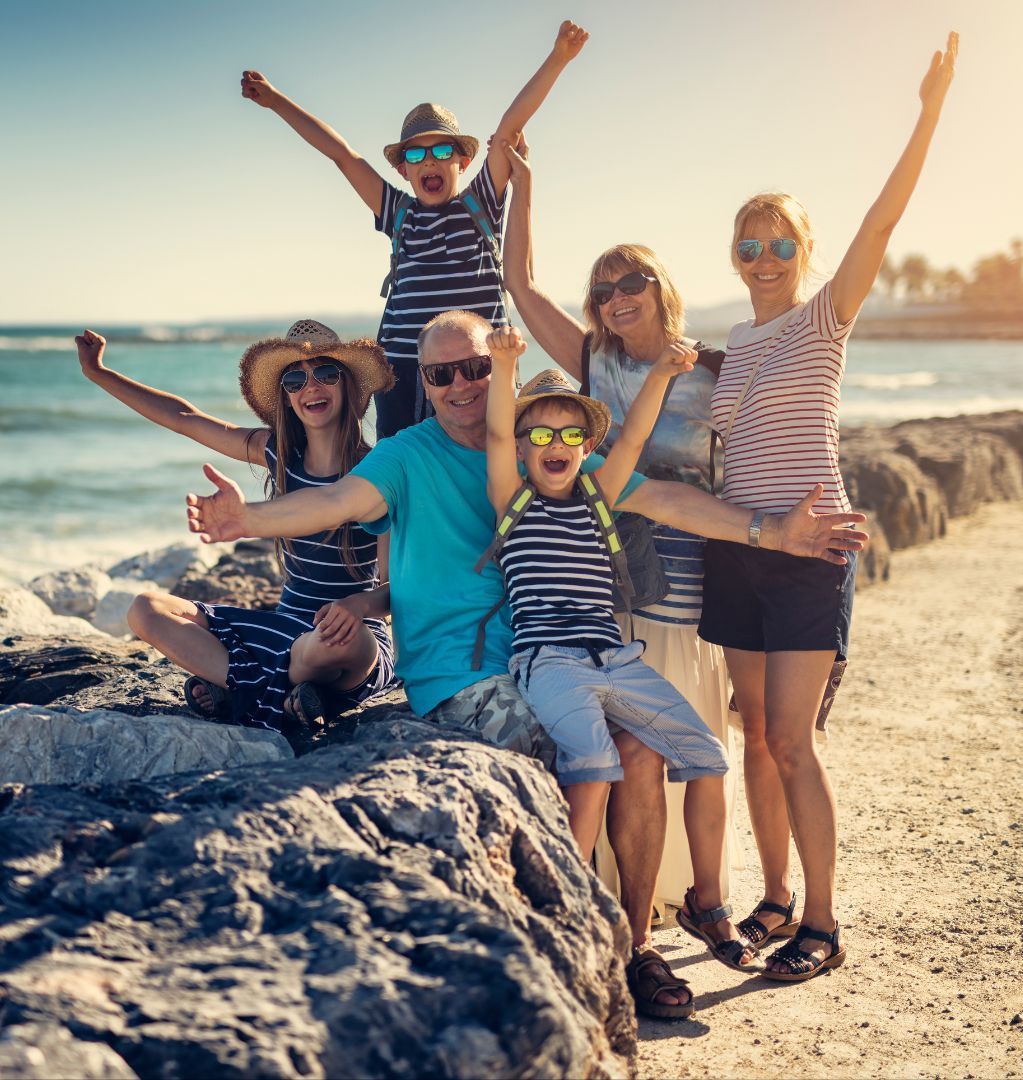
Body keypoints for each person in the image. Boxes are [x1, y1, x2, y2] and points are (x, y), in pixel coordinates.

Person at [185, 309, 866, 1015]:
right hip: (463, 672)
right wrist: (249, 520)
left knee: (638, 749)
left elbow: (657, 496)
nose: (461, 384)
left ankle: (631, 946)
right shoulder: (405, 454)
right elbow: (334, 500)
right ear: (426, 382)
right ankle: (572, 938)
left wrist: (770, 530)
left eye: (476, 367)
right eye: (442, 373)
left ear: (496, 366)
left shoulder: (547, 447)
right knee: (564, 756)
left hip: (556, 657)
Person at [701, 33, 960, 982]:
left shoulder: (824, 316)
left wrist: (926, 115)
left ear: (803, 253)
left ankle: (824, 920)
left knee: (796, 742)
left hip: (811, 552)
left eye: (779, 244)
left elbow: (884, 224)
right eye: (748, 244)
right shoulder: (732, 334)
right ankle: (772, 896)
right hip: (741, 549)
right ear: (734, 256)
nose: (762, 256)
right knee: (753, 732)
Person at [497, 135, 742, 917]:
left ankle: (696, 894)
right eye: (603, 289)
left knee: (693, 734)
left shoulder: (712, 369)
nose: (616, 297)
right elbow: (519, 283)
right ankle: (630, 894)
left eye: (631, 281)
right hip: (617, 572)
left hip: (693, 560)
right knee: (628, 732)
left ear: (660, 285)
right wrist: (524, 183)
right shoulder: (593, 363)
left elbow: (768, 432)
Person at [483, 331, 760, 1008]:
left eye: (568, 434)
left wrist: (665, 369)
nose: (553, 446)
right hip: (550, 660)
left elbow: (632, 439)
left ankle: (707, 899)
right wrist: (503, 367)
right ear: (523, 449)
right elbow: (493, 435)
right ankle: (573, 924)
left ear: (585, 446)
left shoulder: (598, 496)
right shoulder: (511, 504)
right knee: (597, 763)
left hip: (616, 657)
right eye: (538, 434)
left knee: (706, 756)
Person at [239, 19, 589, 438]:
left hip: (479, 368)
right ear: (403, 170)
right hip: (403, 371)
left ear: (461, 161)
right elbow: (342, 156)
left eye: (442, 150)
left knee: (484, 468)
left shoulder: (479, 205)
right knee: (401, 474)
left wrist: (559, 57)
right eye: (417, 154)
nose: (429, 161)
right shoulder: (399, 212)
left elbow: (507, 131)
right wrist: (277, 102)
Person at [74, 320, 397, 733]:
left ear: (348, 385)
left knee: (341, 645)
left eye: (327, 374)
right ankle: (289, 698)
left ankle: (239, 689)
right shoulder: (278, 455)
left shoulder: (377, 473)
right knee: (145, 610)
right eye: (295, 380)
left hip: (346, 634)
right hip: (284, 626)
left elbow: (393, 590)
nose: (311, 387)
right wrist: (99, 373)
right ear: (286, 397)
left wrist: (357, 607)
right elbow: (184, 418)